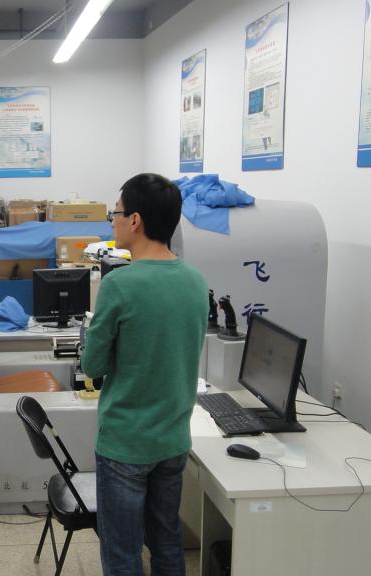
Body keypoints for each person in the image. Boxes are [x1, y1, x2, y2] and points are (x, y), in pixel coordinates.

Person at [82, 173, 208, 576]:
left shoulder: (119, 285)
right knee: (167, 542)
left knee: (123, 554)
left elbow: (92, 366)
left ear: (135, 220)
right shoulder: (195, 281)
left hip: (126, 443)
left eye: (115, 213)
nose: (112, 221)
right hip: (173, 439)